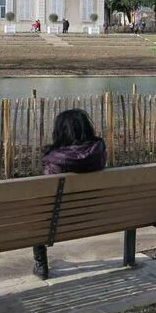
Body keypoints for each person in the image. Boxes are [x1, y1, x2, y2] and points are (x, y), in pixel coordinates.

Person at [33, 109, 106, 279]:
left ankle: (40, 263)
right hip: (96, 216)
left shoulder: (54, 162)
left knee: (37, 216)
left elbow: (47, 199)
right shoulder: (99, 153)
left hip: (57, 221)